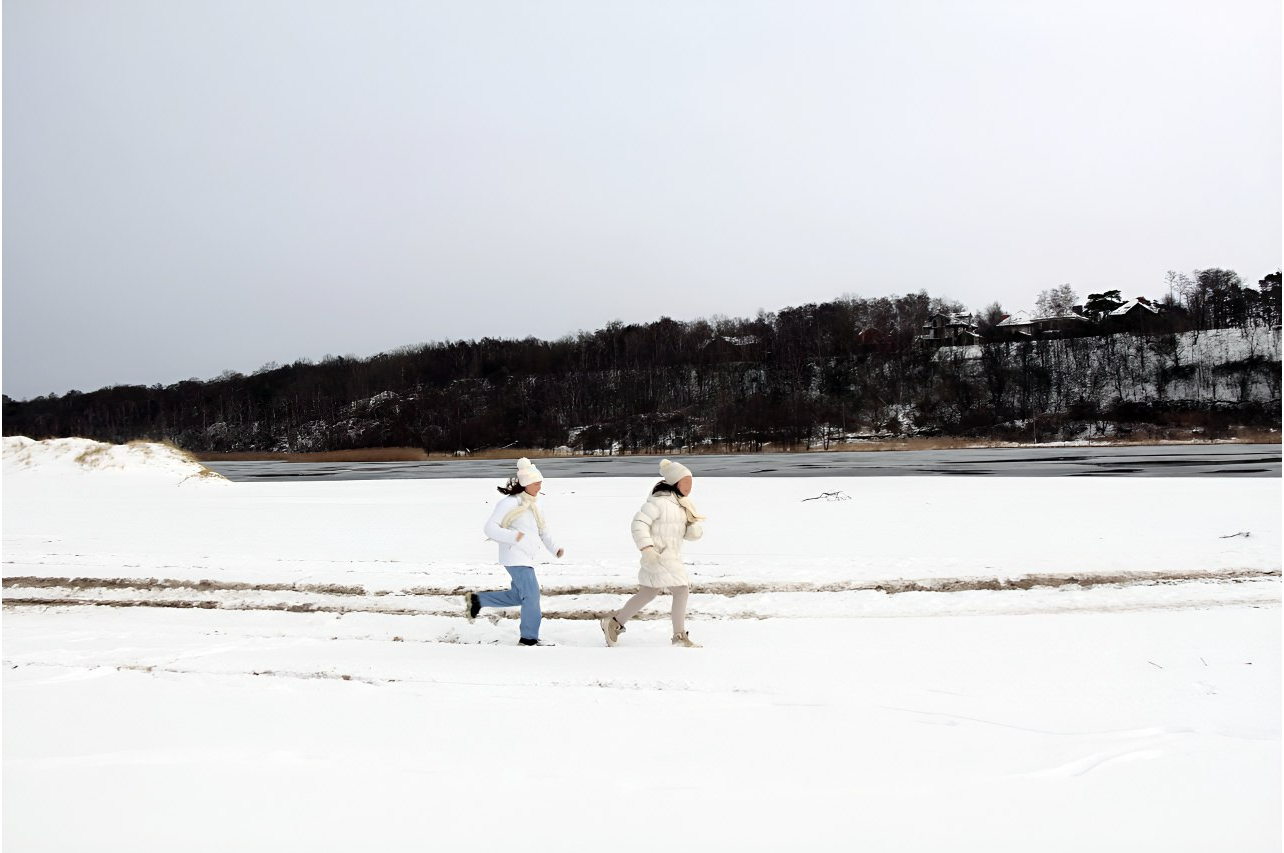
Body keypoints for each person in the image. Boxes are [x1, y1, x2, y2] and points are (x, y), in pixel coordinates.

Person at [601, 458, 706, 648]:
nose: (690, 486)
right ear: (675, 482)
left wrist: (692, 528)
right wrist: (647, 549)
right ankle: (678, 636)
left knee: (649, 592)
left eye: (692, 482)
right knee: (681, 590)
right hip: (657, 556)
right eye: (686, 482)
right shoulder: (658, 502)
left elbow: (682, 532)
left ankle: (615, 623)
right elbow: (638, 525)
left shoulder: (682, 505)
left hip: (670, 556)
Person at [465, 457, 564, 646]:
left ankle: (477, 600)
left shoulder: (536, 503)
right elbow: (489, 528)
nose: (540, 486)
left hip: (526, 555)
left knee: (519, 596)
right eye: (536, 483)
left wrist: (555, 548)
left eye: (541, 482)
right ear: (526, 484)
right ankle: (528, 638)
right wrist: (512, 537)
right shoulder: (509, 503)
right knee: (532, 596)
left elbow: (543, 530)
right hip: (514, 555)